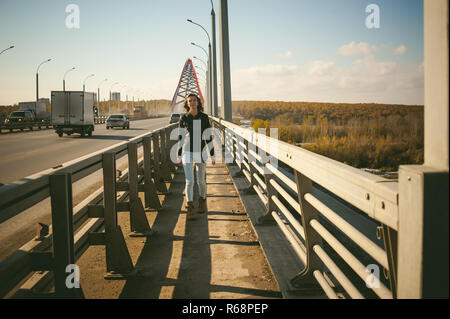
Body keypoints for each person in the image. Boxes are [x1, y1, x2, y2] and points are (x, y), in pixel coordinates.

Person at [177, 93, 215, 220]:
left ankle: (202, 200)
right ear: (187, 104)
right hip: (187, 152)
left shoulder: (204, 117)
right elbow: (180, 138)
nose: (192, 102)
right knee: (189, 181)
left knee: (201, 181)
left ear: (198, 102)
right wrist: (178, 155)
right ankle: (190, 208)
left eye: (194, 100)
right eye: (190, 101)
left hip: (201, 152)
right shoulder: (184, 118)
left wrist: (212, 154)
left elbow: (208, 137)